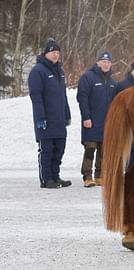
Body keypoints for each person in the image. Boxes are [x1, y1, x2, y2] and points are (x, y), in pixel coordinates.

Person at [28, 38, 72, 189]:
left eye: (57, 52)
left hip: (59, 119)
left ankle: (55, 176)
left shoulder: (60, 71)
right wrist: (40, 118)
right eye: (53, 52)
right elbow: (36, 97)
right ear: (46, 53)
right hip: (46, 120)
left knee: (59, 149)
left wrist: (67, 114)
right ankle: (46, 180)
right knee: (47, 151)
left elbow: (63, 95)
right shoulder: (38, 71)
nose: (55, 55)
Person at [77, 51, 116, 188]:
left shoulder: (111, 81)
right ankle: (87, 177)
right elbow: (82, 99)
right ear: (98, 62)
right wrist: (86, 117)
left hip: (106, 122)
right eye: (103, 62)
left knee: (103, 150)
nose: (106, 64)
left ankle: (99, 176)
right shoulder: (88, 77)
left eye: (108, 62)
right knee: (90, 149)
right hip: (91, 121)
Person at [114, 61, 134, 168]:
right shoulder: (122, 85)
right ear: (131, 72)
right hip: (129, 123)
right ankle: (130, 172)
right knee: (131, 151)